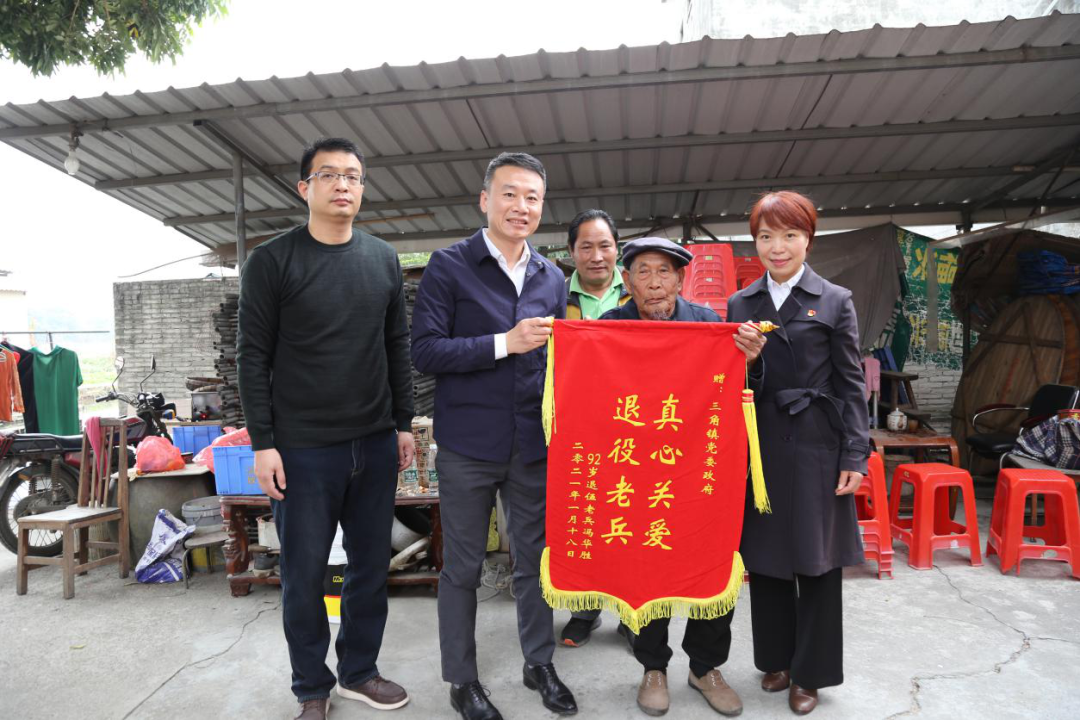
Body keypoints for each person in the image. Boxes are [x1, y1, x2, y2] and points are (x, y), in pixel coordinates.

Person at [237, 137, 415, 720]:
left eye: (354, 176)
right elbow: (251, 356)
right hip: (303, 449)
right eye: (330, 174)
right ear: (304, 188)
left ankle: (359, 672)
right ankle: (311, 686)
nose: (343, 185)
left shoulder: (382, 259)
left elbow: (396, 345)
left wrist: (402, 423)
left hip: (374, 443)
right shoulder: (272, 261)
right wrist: (264, 444)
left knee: (369, 567)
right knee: (304, 573)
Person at [411, 152, 575, 720]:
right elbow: (425, 350)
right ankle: (462, 680)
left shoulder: (551, 276)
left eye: (532, 197)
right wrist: (506, 342)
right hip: (468, 446)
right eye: (509, 194)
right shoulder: (448, 266)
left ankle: (539, 663)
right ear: (485, 200)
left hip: (533, 443)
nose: (520, 206)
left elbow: (559, 361)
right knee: (463, 567)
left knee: (535, 560)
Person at [601, 237, 765, 718]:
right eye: (643, 272)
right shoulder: (609, 327)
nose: (654, 283)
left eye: (664, 272)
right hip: (637, 469)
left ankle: (705, 667)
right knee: (646, 565)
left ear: (680, 279)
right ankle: (652, 667)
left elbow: (743, 392)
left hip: (699, 467)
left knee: (711, 560)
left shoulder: (709, 325)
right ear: (627, 280)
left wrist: (750, 361)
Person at [726, 191, 870, 716]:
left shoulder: (834, 299)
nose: (777, 247)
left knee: (816, 561)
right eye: (766, 236)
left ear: (808, 239)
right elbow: (733, 384)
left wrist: (855, 454)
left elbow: (851, 383)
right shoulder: (741, 304)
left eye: (789, 235)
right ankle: (776, 661)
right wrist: (749, 363)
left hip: (816, 444)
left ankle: (811, 673)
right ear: (755, 243)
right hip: (762, 445)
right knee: (766, 560)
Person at [559, 208, 632, 649]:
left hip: (631, 424)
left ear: (617, 249)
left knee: (629, 517)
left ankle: (632, 612)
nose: (596, 256)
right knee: (583, 516)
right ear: (572, 252)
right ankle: (584, 610)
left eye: (605, 245)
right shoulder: (553, 294)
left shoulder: (637, 290)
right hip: (576, 425)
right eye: (585, 246)